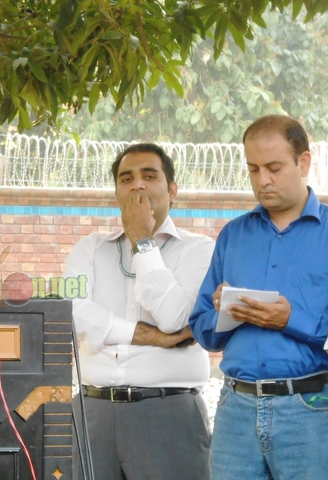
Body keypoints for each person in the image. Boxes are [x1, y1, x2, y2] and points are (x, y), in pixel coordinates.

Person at [189, 114, 328, 480]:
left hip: (311, 408)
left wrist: (290, 321)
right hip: (237, 410)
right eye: (253, 169)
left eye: (274, 167)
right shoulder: (233, 235)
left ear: (304, 162)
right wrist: (223, 312)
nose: (263, 180)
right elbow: (202, 330)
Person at [65, 143, 214, 480]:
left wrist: (140, 240)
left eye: (149, 176)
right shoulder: (90, 249)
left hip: (167, 411)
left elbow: (174, 317)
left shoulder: (199, 250)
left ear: (172, 190)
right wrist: (151, 337)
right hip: (93, 413)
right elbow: (72, 314)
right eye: (126, 178)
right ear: (117, 191)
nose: (138, 186)